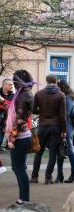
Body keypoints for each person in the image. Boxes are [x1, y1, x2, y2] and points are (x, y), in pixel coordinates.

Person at [31, 74, 67, 185]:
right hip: (55, 126)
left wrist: (41, 112)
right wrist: (64, 130)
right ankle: (48, 177)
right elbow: (63, 115)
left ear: (46, 81)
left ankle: (34, 177)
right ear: (56, 82)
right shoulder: (61, 95)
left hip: (42, 125)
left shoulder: (39, 94)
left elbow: (33, 109)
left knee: (39, 152)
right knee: (52, 153)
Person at [6, 70, 34, 203]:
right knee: (17, 168)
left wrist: (11, 139)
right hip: (22, 136)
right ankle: (23, 197)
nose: (13, 83)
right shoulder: (25, 93)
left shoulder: (23, 95)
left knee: (19, 169)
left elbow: (19, 119)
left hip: (20, 138)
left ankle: (24, 198)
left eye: (14, 80)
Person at [56, 80, 74, 183]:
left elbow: (66, 114)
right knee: (61, 150)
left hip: (66, 127)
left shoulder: (68, 98)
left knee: (69, 150)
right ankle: (60, 175)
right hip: (66, 126)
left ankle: (73, 174)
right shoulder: (69, 97)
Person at [0, 78, 14, 151]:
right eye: (10, 84)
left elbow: (11, 107)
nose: (12, 86)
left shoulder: (13, 96)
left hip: (6, 122)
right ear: (5, 85)